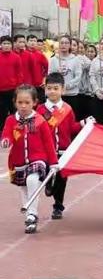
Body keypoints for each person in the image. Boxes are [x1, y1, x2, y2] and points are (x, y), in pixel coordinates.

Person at [1, 85, 58, 234]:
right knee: (24, 189)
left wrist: (53, 163)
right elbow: (7, 135)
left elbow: (48, 143)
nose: (23, 106)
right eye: (20, 102)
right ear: (15, 103)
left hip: (38, 159)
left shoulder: (40, 120)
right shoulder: (10, 120)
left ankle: (32, 213)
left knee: (32, 180)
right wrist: (5, 141)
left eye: (27, 102)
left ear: (34, 102)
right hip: (18, 161)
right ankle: (30, 219)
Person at [36, 73, 88, 219]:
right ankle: (48, 184)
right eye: (49, 88)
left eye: (56, 88)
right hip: (46, 152)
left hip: (63, 150)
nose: (52, 91)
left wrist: (84, 123)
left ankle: (58, 206)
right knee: (46, 173)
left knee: (61, 179)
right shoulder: (40, 110)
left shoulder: (68, 109)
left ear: (62, 90)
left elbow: (72, 128)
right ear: (45, 89)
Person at [48, 35, 82, 120]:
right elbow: (50, 75)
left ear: (70, 45)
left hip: (71, 94)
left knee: (71, 119)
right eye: (62, 43)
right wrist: (56, 74)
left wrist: (66, 86)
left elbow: (78, 76)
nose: (64, 45)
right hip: (57, 95)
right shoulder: (53, 59)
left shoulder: (75, 59)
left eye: (66, 43)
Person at [0, 36, 23, 133]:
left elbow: (19, 73)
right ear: (1, 45)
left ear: (12, 45)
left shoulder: (16, 57)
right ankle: (3, 131)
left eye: (8, 43)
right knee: (2, 113)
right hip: (0, 91)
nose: (6, 46)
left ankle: (17, 130)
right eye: (4, 43)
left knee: (14, 111)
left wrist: (18, 87)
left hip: (13, 90)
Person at [27, 34, 48, 103]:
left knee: (40, 104)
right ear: (27, 42)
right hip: (26, 85)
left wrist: (44, 79)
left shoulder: (40, 55)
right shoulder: (23, 54)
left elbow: (47, 68)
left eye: (34, 41)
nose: (32, 42)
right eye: (30, 40)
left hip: (39, 85)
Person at [78, 44, 96, 121]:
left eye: (92, 51)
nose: (90, 53)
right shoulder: (81, 60)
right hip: (83, 92)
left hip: (93, 93)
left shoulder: (97, 62)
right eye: (88, 51)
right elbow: (83, 66)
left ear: (95, 53)